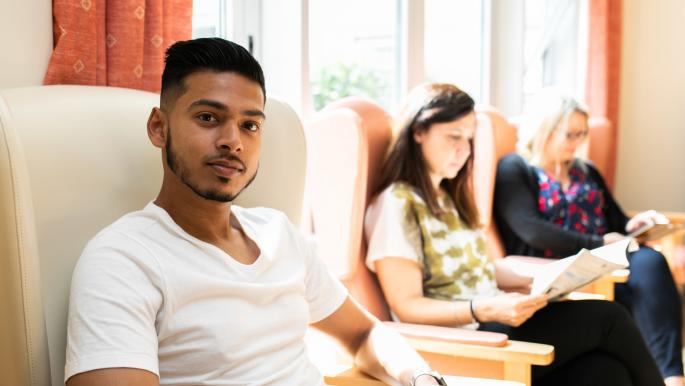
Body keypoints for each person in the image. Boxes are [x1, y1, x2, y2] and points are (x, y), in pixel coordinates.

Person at [65, 38, 446, 386]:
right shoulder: (122, 260)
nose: (233, 142)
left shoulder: (278, 232)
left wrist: (422, 377)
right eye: (208, 118)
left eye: (249, 125)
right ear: (158, 127)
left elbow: (365, 334)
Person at [365, 83, 665, 386]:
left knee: (607, 373)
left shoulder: (446, 196)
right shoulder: (396, 204)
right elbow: (406, 305)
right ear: (418, 132)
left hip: (492, 317)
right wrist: (481, 307)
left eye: (469, 139)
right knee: (610, 319)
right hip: (465, 338)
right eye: (453, 136)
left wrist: (548, 277)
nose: (464, 150)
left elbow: (477, 270)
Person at [492, 93, 685, 386]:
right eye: (570, 134)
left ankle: (673, 377)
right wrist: (598, 243)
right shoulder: (516, 168)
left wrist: (634, 224)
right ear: (544, 128)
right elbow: (530, 229)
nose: (577, 142)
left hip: (606, 258)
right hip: (558, 265)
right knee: (631, 300)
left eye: (582, 134)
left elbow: (617, 221)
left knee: (651, 262)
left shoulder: (586, 170)